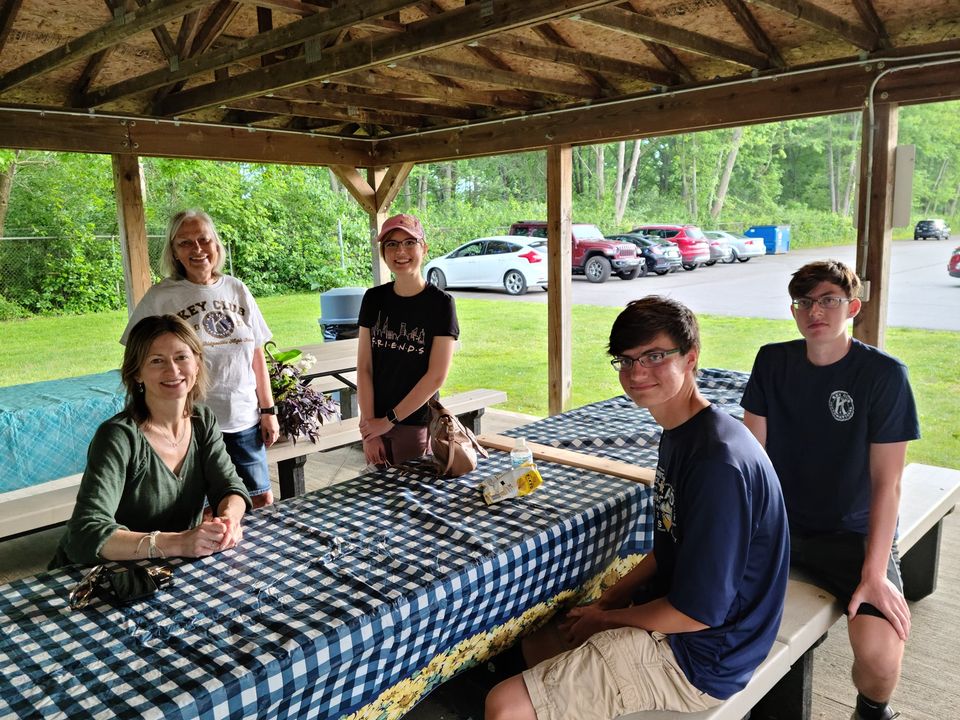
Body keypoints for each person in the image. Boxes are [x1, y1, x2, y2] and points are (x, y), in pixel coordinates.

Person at [485, 296, 790, 720]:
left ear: (690, 358)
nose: (636, 372)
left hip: (703, 660)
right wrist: (607, 603)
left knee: (503, 705)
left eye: (654, 356)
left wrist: (607, 622)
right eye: (625, 361)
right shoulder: (683, 430)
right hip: (700, 626)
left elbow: (695, 613)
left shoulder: (716, 464)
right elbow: (668, 550)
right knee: (538, 642)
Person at [740, 260, 920, 720]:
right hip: (780, 525)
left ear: (852, 307)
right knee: (707, 607)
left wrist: (876, 573)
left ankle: (872, 712)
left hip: (851, 536)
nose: (814, 311)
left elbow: (888, 484)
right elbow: (751, 462)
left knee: (880, 661)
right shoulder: (772, 360)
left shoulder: (883, 376)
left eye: (828, 301)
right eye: (804, 302)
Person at [52, 315, 251, 568]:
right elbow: (86, 533)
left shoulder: (203, 420)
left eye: (182, 357)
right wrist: (179, 542)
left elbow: (230, 486)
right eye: (157, 361)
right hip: (97, 575)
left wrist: (228, 521)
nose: (173, 371)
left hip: (169, 568)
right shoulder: (118, 437)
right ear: (136, 373)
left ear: (197, 363)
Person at [121, 210, 278, 508]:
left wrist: (268, 409)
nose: (197, 249)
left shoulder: (236, 288)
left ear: (216, 245)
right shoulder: (161, 298)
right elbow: (137, 355)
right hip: (191, 424)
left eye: (204, 240)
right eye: (185, 243)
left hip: (243, 419)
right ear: (174, 251)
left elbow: (256, 353)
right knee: (202, 511)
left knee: (260, 500)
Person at [356, 213, 459, 466]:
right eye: (391, 244)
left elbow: (436, 376)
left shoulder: (441, 304)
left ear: (424, 248)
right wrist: (370, 427)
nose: (400, 251)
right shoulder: (373, 299)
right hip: (374, 422)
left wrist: (387, 421)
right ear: (383, 252)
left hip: (415, 425)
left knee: (410, 498)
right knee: (376, 497)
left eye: (409, 243)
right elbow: (365, 367)